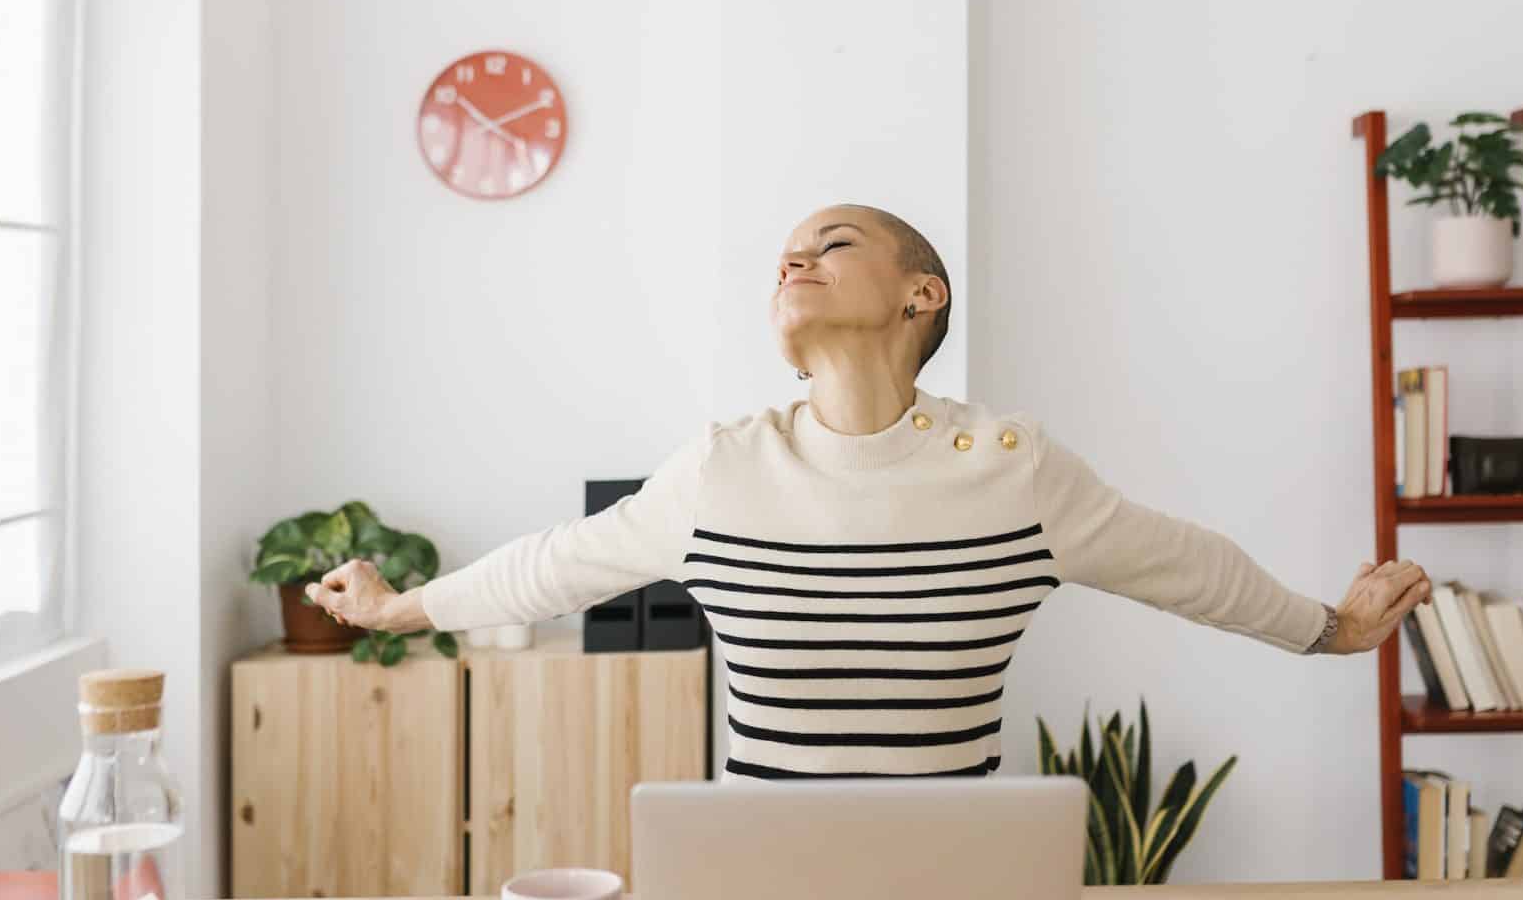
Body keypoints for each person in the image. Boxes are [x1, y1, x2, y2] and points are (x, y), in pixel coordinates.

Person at [311, 204, 1429, 779]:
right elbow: (557, 563)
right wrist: (396, 608)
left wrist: (1326, 631)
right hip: (754, 881)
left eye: (830, 244)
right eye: (783, 255)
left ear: (919, 294)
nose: (792, 261)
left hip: (957, 879)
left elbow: (1182, 563)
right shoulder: (720, 469)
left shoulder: (1009, 467)